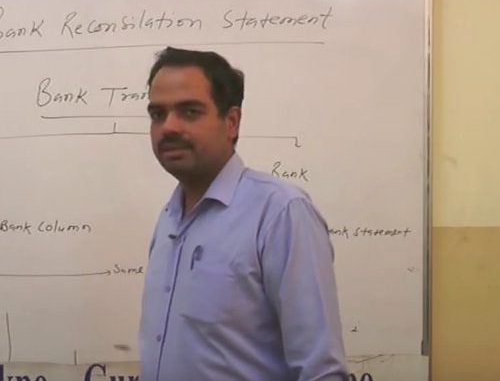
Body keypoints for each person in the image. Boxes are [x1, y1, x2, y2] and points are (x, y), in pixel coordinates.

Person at [138, 47, 349, 381]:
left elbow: (321, 371)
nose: (169, 127)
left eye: (189, 112)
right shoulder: (169, 218)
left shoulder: (280, 213)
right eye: (157, 114)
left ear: (232, 122)